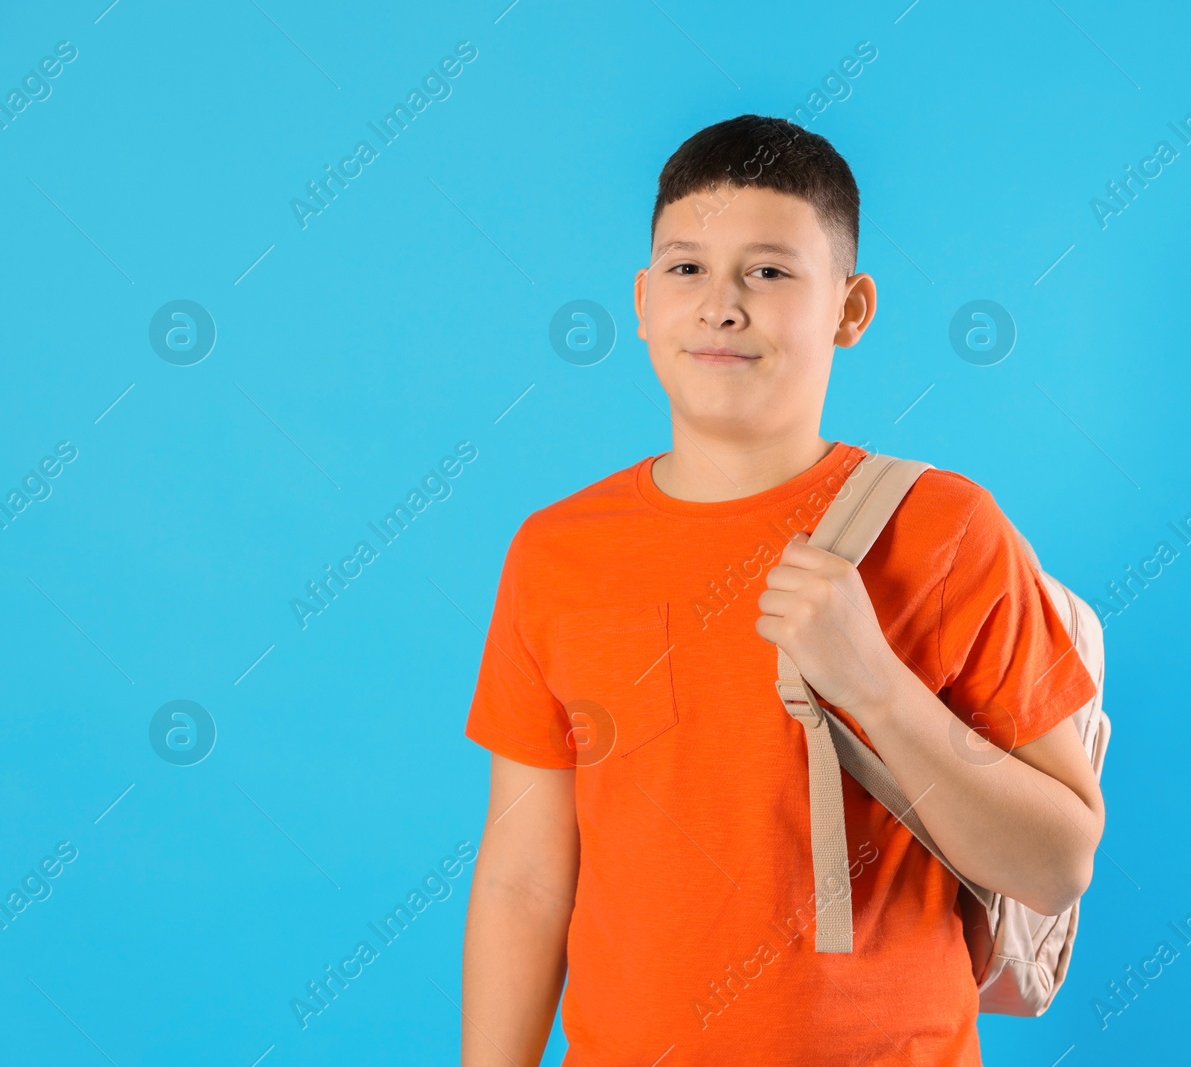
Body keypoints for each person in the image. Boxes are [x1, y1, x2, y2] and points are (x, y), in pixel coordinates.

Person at [460, 113, 1104, 1066]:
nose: (722, 305)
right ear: (642, 301)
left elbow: (1056, 864)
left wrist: (875, 683)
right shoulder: (557, 551)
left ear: (850, 308)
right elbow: (524, 881)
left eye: (768, 271)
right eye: (686, 269)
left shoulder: (947, 528)